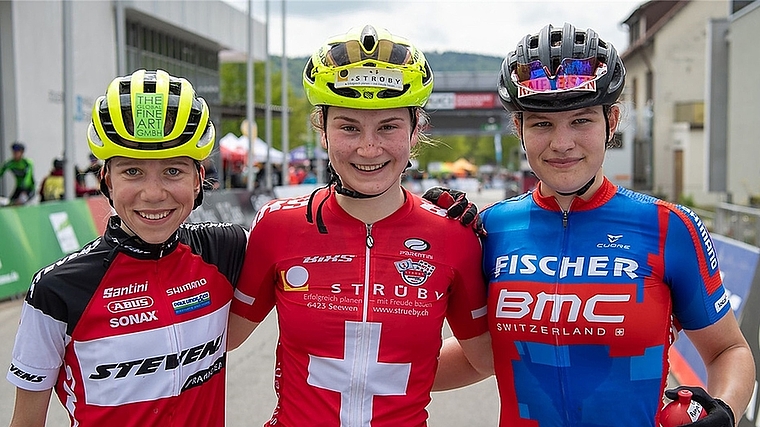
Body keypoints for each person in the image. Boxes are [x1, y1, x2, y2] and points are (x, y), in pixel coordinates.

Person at [433, 22, 755, 427]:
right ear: (518, 128)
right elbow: (478, 358)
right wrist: (361, 371)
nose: (562, 142)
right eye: (542, 123)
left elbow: (729, 351)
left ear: (612, 120)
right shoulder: (491, 229)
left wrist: (724, 409)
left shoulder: (667, 227)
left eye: (581, 120)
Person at [227, 24, 493, 427]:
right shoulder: (278, 227)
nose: (369, 148)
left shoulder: (455, 237)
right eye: (349, 127)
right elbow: (215, 341)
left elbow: (485, 359)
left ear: (415, 131)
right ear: (323, 132)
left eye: (388, 126)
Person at [6, 69, 248, 427]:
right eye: (132, 172)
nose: (153, 193)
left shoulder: (226, 250)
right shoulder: (56, 290)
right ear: (106, 180)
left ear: (199, 180)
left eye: (173, 171)